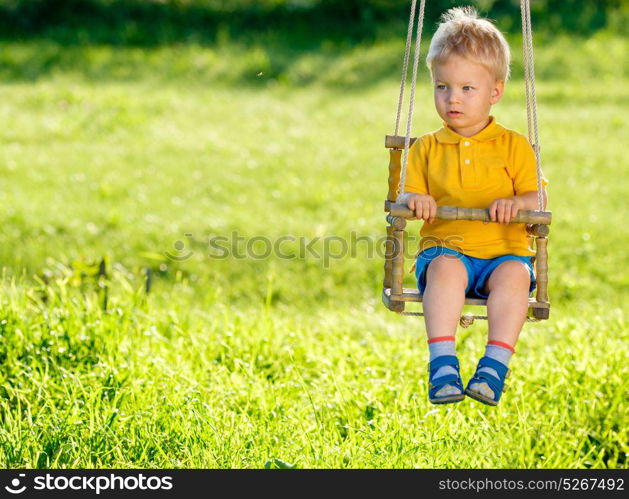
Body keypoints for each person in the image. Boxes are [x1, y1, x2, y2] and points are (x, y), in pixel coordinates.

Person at [398, 6, 548, 406]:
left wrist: (516, 203)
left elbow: (539, 199)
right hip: (447, 249)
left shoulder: (514, 145)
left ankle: (494, 366)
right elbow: (405, 197)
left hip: (504, 253)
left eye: (467, 88)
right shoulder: (426, 148)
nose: (452, 99)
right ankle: (443, 364)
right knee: (445, 270)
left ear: (494, 92)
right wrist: (418, 200)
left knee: (516, 277)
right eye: (442, 87)